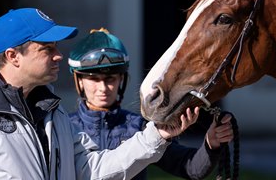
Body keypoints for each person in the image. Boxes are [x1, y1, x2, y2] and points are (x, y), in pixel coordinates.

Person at [0, 8, 200, 180]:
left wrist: (159, 134)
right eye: (47, 49)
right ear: (13, 56)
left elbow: (94, 170)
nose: (59, 56)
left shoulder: (53, 113)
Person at [68, 28, 234, 180]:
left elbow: (192, 169)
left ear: (121, 79)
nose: (103, 88)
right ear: (79, 81)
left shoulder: (141, 127)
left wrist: (211, 144)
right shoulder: (65, 128)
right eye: (93, 79)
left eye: (110, 79)